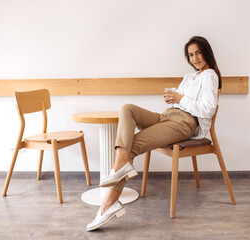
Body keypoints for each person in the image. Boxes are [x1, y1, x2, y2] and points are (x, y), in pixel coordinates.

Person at [86, 36, 222, 231]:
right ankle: (119, 169)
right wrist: (173, 99)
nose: (195, 58)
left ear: (206, 52)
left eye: (198, 53)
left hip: (184, 124)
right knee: (128, 109)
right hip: (167, 116)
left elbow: (208, 109)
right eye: (191, 55)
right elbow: (181, 100)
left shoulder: (210, 76)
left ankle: (108, 202)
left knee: (130, 146)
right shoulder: (189, 76)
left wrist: (180, 98)